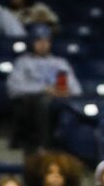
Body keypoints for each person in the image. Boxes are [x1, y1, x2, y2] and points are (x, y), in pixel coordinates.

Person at [6, 26, 82, 154]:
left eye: (46, 41)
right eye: (39, 41)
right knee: (42, 101)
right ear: (32, 42)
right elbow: (14, 88)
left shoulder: (60, 62)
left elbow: (76, 89)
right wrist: (44, 89)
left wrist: (65, 91)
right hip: (32, 103)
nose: (43, 45)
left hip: (59, 100)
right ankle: (42, 146)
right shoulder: (23, 62)